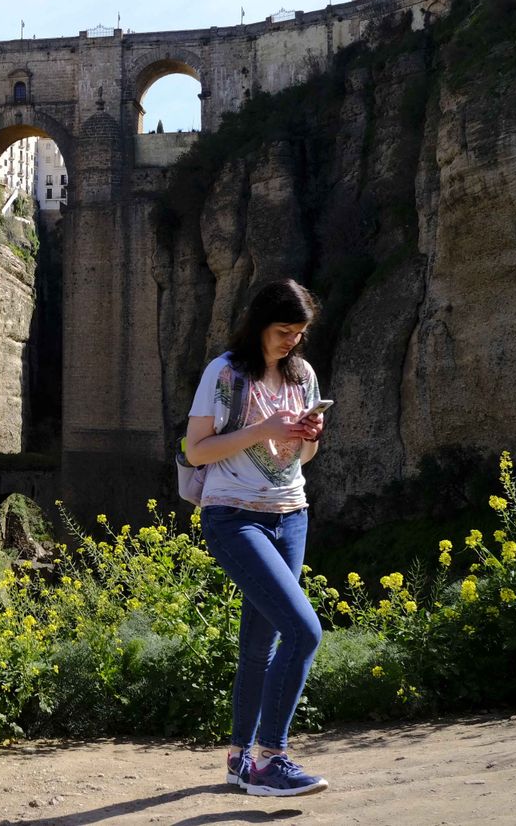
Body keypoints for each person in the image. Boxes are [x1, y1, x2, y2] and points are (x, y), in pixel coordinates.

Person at [182, 279, 329, 798]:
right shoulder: (225, 373)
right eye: (283, 331)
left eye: (299, 333)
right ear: (259, 324)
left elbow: (300, 460)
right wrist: (263, 428)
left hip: (291, 515)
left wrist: (305, 438)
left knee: (260, 643)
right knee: (304, 631)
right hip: (233, 518)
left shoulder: (303, 375)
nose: (291, 342)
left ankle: (239, 759)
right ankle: (272, 758)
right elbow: (197, 451)